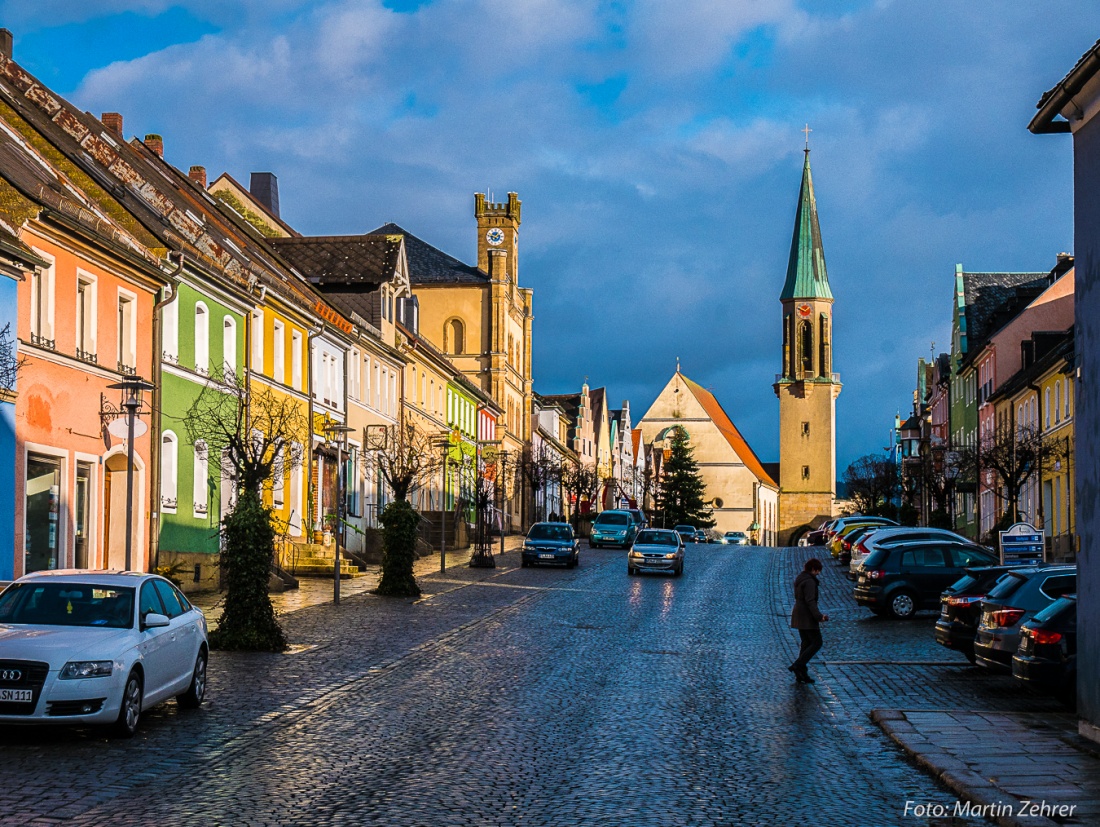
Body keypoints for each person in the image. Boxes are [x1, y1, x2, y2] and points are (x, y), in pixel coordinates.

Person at [789, 557, 829, 683]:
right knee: (817, 642)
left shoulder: (800, 578)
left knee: (806, 643)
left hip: (798, 613)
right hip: (807, 615)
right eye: (817, 570)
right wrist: (819, 616)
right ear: (813, 569)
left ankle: (801, 673)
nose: (818, 573)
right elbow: (810, 601)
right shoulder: (810, 582)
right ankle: (798, 665)